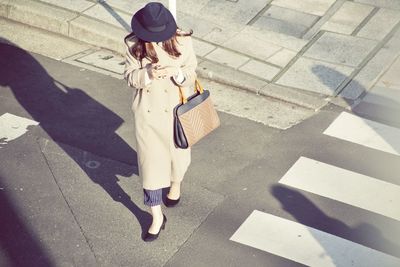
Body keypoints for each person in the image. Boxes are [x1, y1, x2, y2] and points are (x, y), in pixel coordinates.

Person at [124, 2, 197, 242]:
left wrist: (177, 74)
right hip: (149, 115)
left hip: (177, 112)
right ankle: (156, 216)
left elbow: (192, 73)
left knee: (179, 159)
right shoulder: (134, 44)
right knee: (150, 168)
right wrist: (149, 74)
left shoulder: (182, 40)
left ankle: (176, 185)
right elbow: (129, 77)